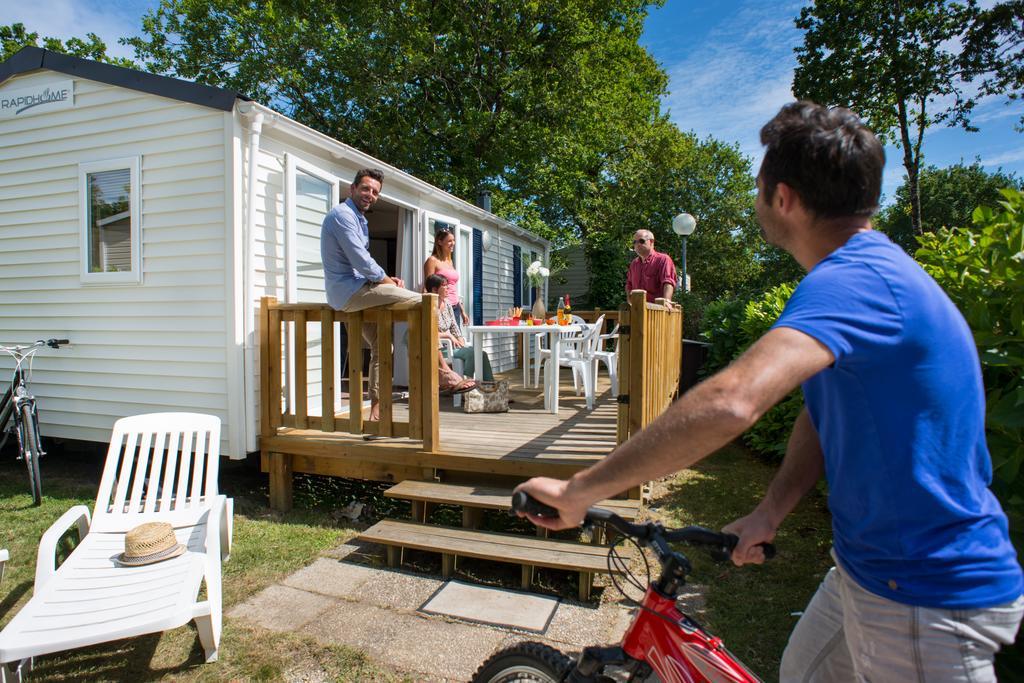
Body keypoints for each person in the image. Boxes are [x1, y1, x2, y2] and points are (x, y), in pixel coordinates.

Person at [515, 101, 1023, 682]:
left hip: (924, 590)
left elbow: (733, 400)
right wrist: (770, 510)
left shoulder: (853, 280)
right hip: (868, 568)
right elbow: (821, 410)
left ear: (782, 198)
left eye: (758, 185)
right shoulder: (865, 271)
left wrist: (581, 488)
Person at [321, 168, 434, 419]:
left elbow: (363, 265)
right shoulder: (342, 215)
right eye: (365, 188)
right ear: (352, 189)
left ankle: (376, 409)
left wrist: (386, 280)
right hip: (349, 294)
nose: (370, 195)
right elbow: (361, 261)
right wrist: (387, 283)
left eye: (375, 192)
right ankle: (444, 373)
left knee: (383, 347)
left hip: (359, 289)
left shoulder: (361, 220)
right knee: (425, 302)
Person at [424, 273, 493, 381]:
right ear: (434, 289)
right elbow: (428, 332)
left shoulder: (447, 304)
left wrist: (461, 342)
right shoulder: (428, 308)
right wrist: (448, 335)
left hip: (453, 345)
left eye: (448, 285)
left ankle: (490, 388)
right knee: (472, 354)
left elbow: (454, 327)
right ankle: (466, 387)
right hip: (442, 348)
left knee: (481, 354)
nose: (448, 288)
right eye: (444, 285)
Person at [423, 225, 469, 328]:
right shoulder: (432, 261)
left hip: (455, 307)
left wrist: (462, 310)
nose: (453, 243)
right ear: (439, 242)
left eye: (453, 240)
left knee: (457, 340)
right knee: (445, 341)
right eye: (449, 241)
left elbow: (452, 288)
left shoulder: (450, 262)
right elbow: (427, 288)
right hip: (442, 307)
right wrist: (431, 310)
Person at [625, 229, 676, 303]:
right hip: (637, 309)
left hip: (657, 310)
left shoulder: (663, 259)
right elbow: (629, 285)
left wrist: (667, 301)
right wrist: (630, 302)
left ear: (651, 242)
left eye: (641, 241)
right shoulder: (634, 264)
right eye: (634, 242)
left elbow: (668, 282)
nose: (637, 244)